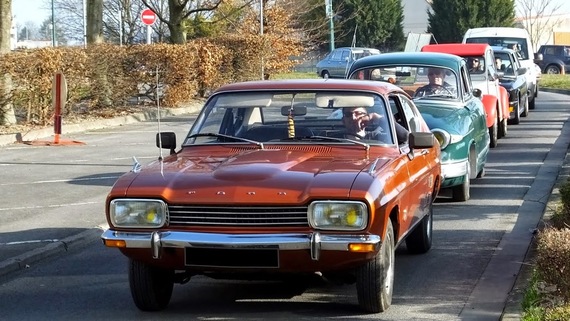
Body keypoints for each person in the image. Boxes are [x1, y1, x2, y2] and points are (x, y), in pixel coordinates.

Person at [341, 107, 408, 144]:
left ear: (366, 117)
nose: (353, 118)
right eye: (348, 115)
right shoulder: (333, 139)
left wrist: (376, 117)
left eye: (358, 113)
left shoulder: (378, 136)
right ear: (343, 120)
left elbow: (405, 137)